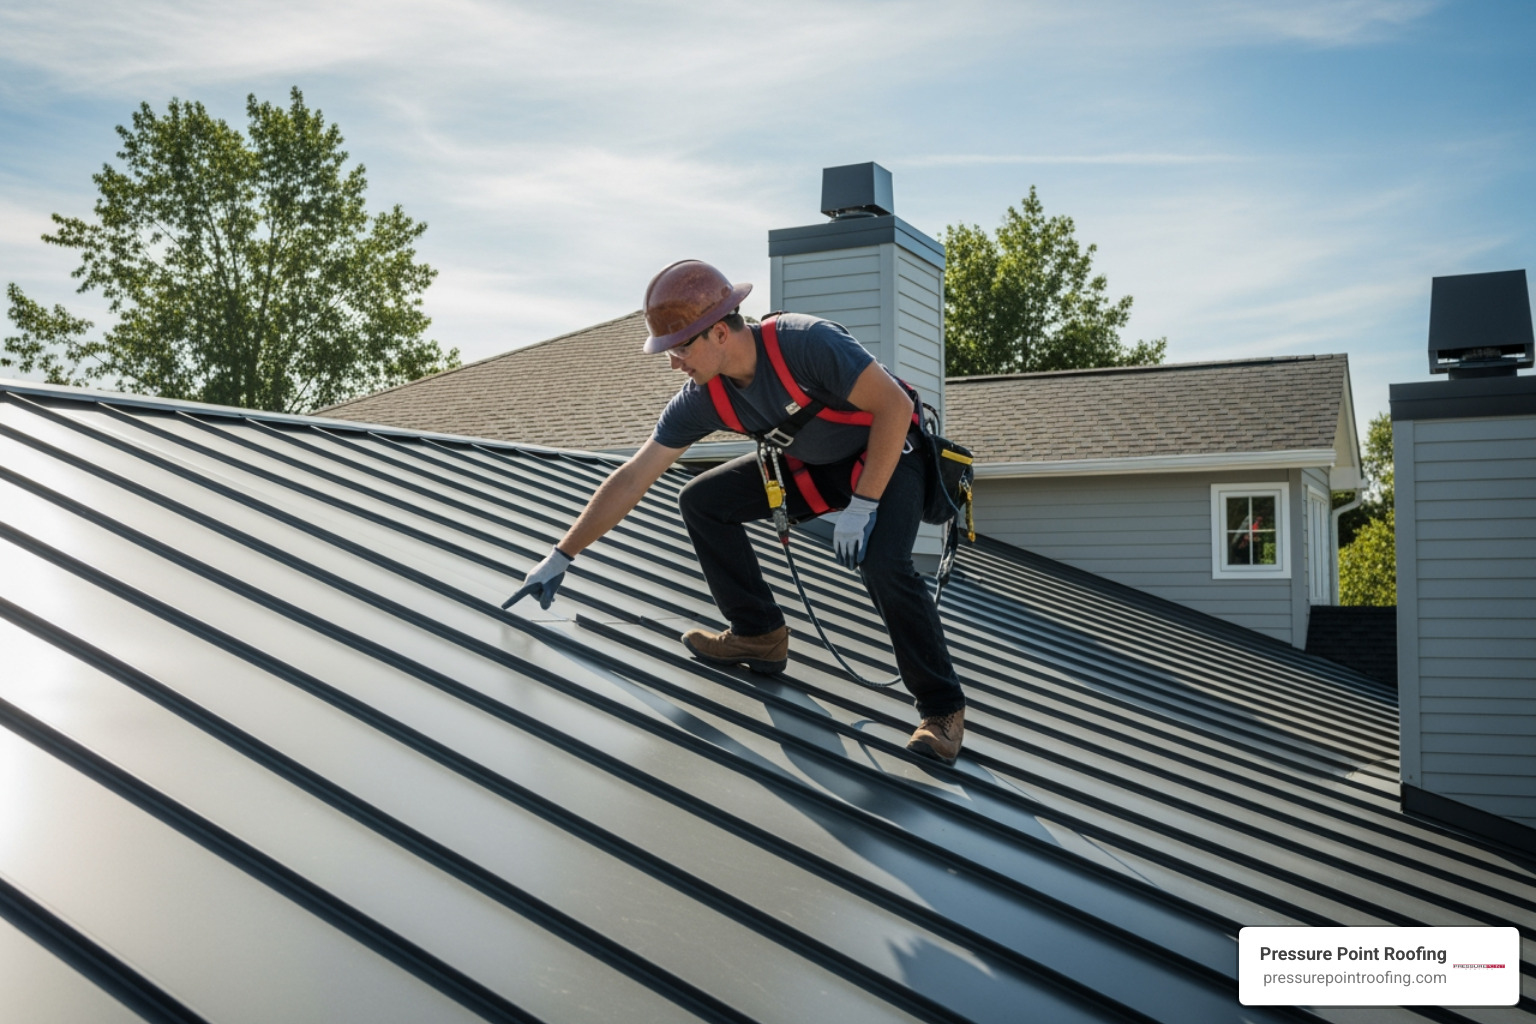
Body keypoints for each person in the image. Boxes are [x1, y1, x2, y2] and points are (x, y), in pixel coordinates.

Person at [505, 259, 966, 764]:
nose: (673, 362)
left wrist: (865, 504)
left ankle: (942, 710)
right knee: (702, 500)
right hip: (816, 466)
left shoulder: (806, 343)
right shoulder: (703, 399)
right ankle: (758, 633)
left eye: (680, 347)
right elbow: (635, 476)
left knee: (883, 563)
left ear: (719, 333)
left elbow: (896, 408)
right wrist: (561, 555)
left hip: (890, 453)